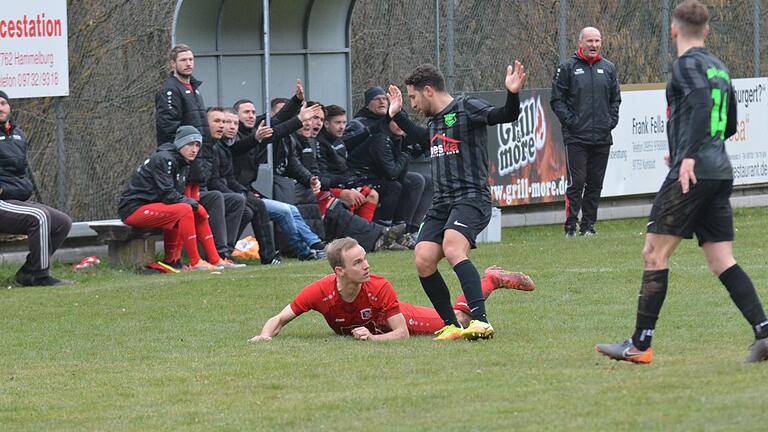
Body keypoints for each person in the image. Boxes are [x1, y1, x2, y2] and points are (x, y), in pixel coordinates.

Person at [596, 0, 768, 364]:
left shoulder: (685, 65)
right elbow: (731, 122)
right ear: (706, 31)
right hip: (718, 171)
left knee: (654, 254)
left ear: (674, 29)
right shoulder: (719, 68)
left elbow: (703, 104)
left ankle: (640, 345)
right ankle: (765, 332)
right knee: (722, 259)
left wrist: (688, 154)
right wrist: (691, 150)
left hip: (693, 173)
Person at [387, 62, 526, 340]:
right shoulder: (435, 119)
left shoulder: (466, 107)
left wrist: (512, 94)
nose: (412, 103)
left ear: (428, 91)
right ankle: (451, 324)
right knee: (423, 259)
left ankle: (481, 321)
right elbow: (424, 139)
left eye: (413, 97)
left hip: (471, 197)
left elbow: (505, 115)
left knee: (452, 248)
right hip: (442, 202)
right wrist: (397, 115)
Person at [249, 237, 534, 341]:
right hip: (382, 323)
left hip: (399, 317)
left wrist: (372, 339)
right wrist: (265, 336)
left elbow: (401, 333)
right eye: (357, 262)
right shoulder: (320, 291)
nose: (366, 265)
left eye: (365, 258)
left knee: (461, 322)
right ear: (339, 271)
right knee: (461, 321)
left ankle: (491, 280)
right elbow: (280, 319)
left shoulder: (378, 286)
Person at [118, 126, 230, 271]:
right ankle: (196, 262)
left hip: (155, 206)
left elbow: (174, 196)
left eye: (197, 145)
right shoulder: (164, 159)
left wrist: (195, 205)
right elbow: (168, 194)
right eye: (190, 144)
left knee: (196, 210)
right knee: (185, 209)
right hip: (134, 209)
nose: (194, 149)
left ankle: (215, 260)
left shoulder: (182, 161)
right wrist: (191, 203)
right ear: (180, 144)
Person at [550, 26, 621, 238]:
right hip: (576, 138)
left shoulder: (608, 68)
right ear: (580, 42)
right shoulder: (567, 67)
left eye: (597, 41)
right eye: (590, 41)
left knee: (595, 184)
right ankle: (570, 227)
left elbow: (615, 99)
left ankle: (588, 227)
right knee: (577, 182)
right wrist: (571, 122)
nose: (594, 45)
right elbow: (557, 100)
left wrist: (611, 121)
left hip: (602, 137)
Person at [0, 91, 73, 286]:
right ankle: (41, 276)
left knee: (63, 222)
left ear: (9, 107)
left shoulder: (19, 135)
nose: (0, 107)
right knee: (39, 217)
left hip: (16, 200)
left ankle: (28, 271)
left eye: (3, 103)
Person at [217, 108, 281, 265]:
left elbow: (277, 126)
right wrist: (241, 193)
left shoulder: (227, 145)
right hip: (220, 193)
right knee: (260, 207)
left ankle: (225, 251)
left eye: (235, 123)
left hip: (235, 190)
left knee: (249, 211)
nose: (232, 126)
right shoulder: (223, 146)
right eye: (226, 122)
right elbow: (217, 179)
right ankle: (269, 256)